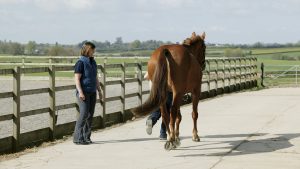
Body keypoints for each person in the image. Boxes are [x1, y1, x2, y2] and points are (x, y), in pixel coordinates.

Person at [73, 41, 102, 145]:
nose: (93, 52)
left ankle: (86, 137)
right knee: (84, 113)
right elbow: (77, 79)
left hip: (92, 91)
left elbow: (95, 77)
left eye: (94, 50)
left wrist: (99, 90)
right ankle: (77, 138)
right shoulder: (80, 63)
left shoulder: (93, 62)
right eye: (92, 50)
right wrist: (80, 92)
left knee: (90, 115)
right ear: (87, 50)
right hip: (83, 92)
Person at [144, 72, 173, 140]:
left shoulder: (156, 64)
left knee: (157, 111)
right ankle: (162, 134)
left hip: (155, 92)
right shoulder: (169, 65)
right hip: (167, 91)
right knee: (167, 112)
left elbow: (146, 77)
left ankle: (151, 120)